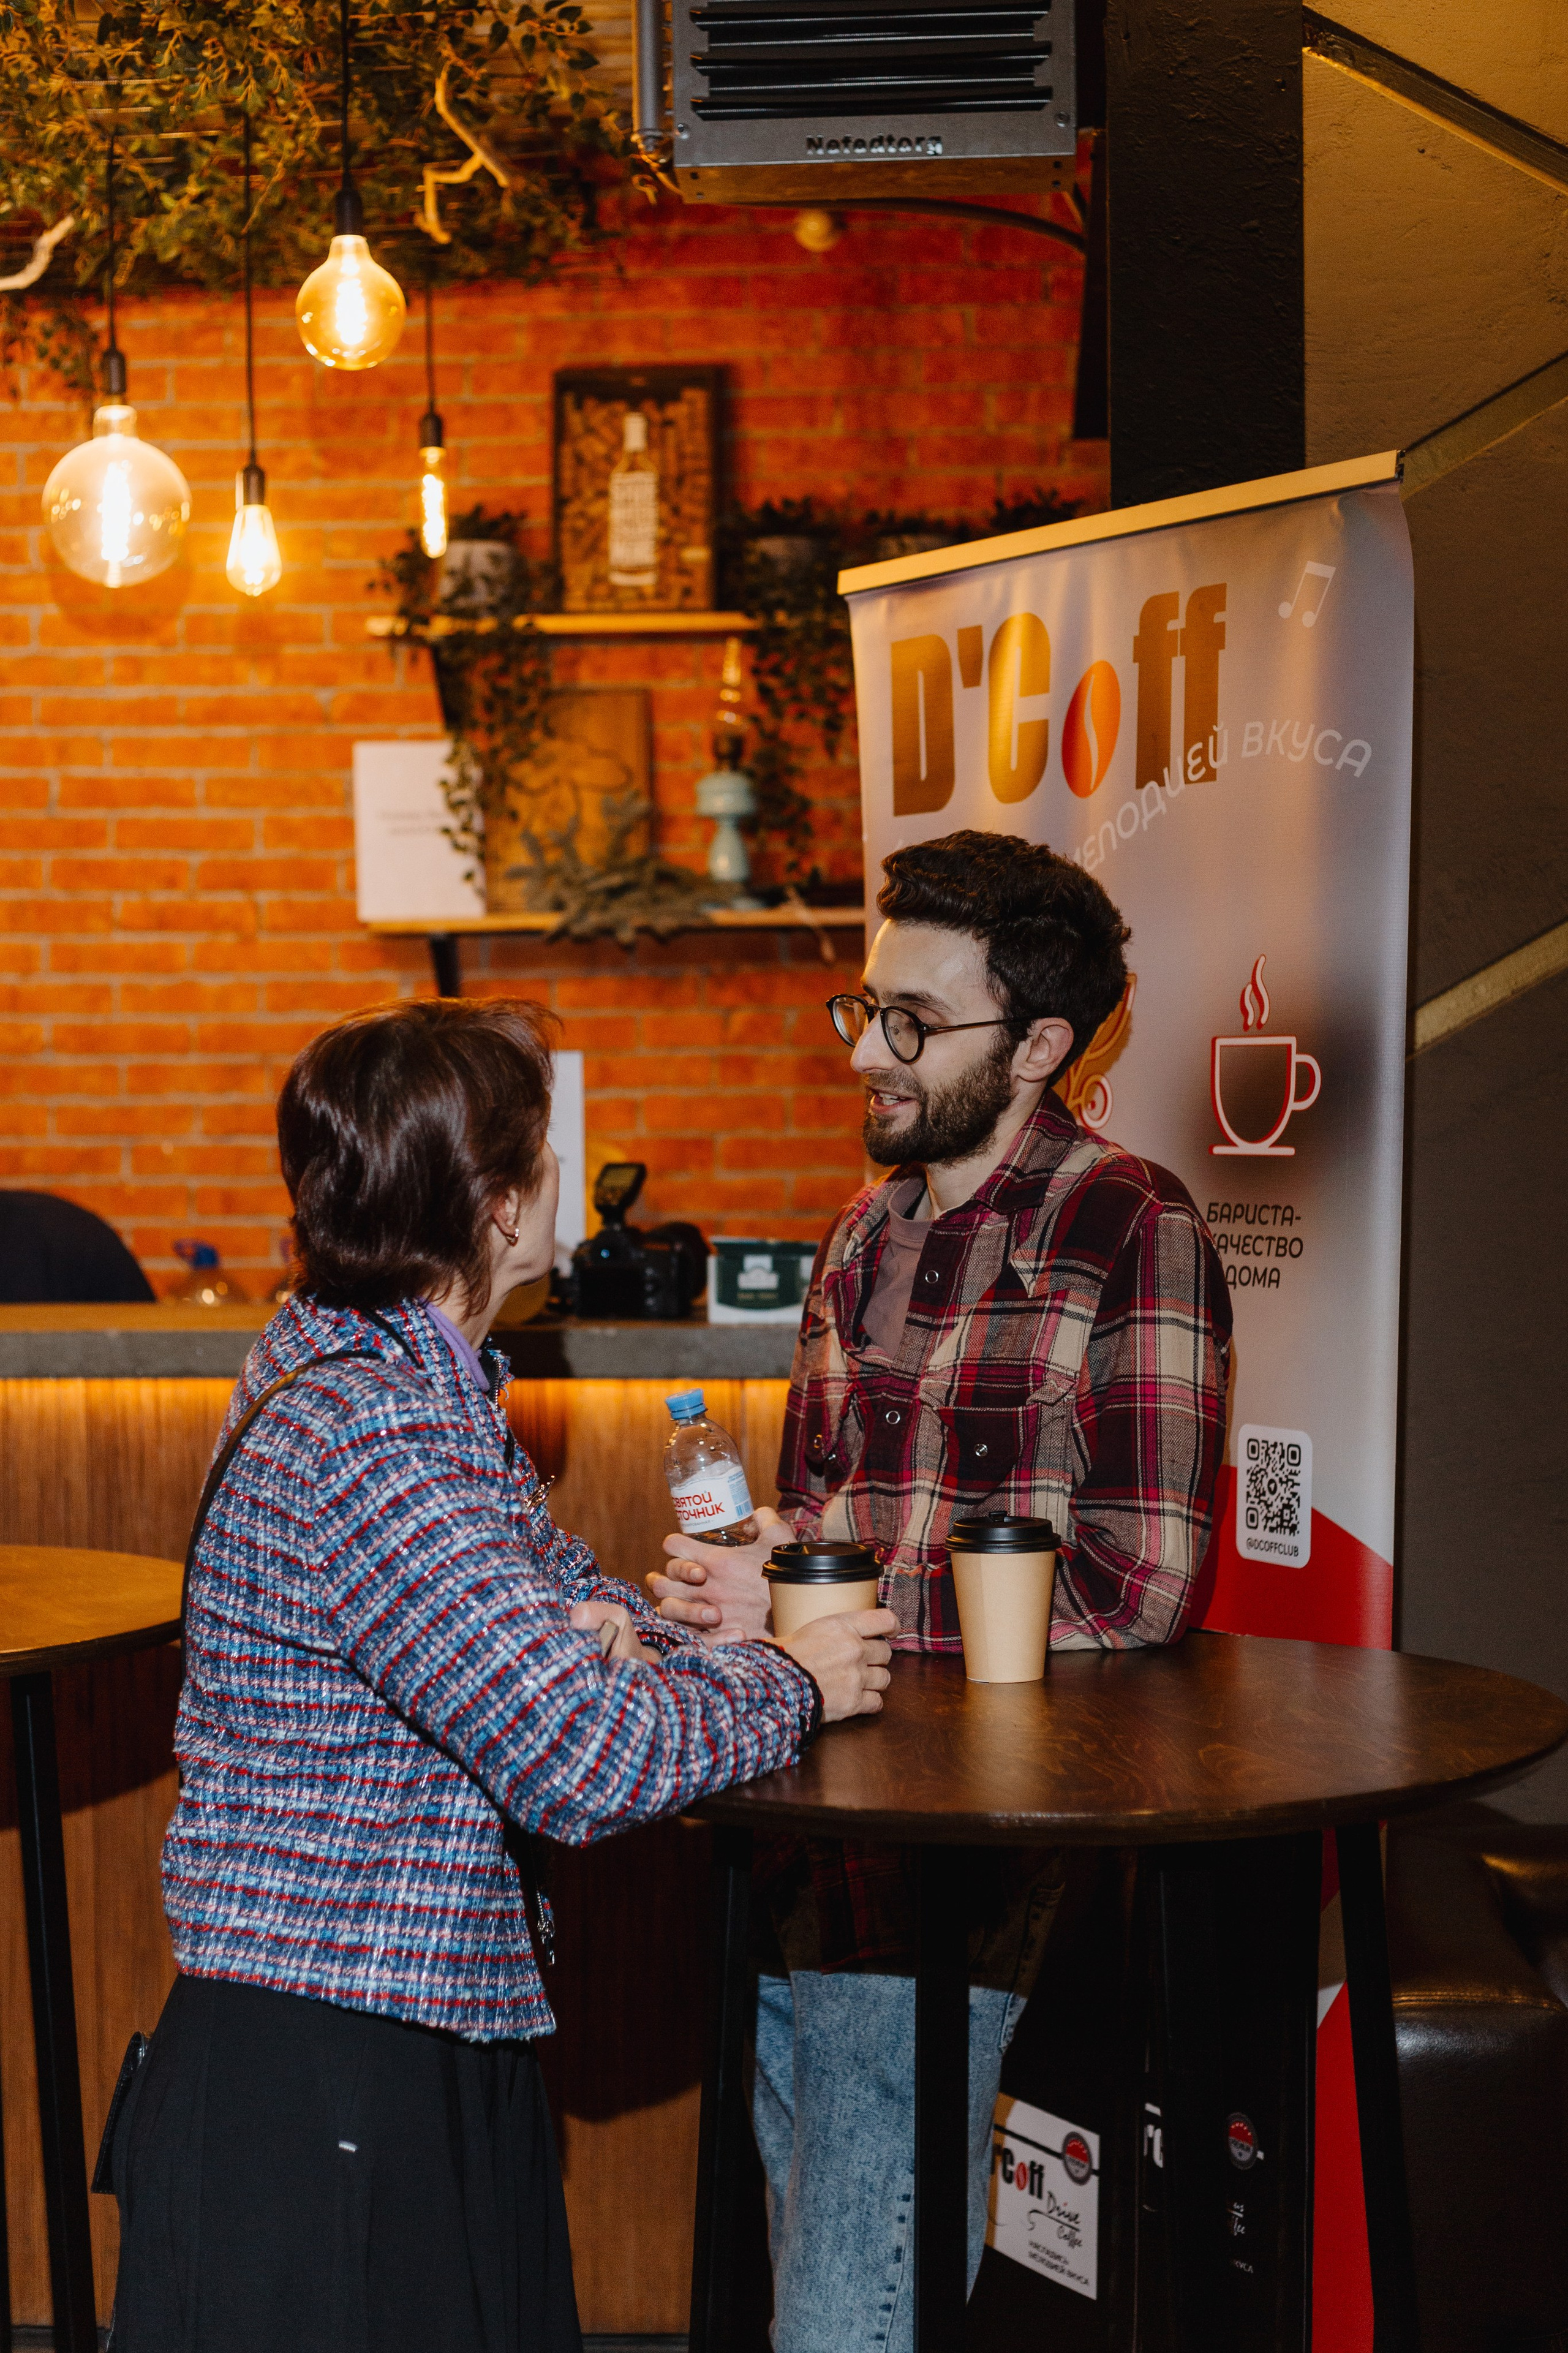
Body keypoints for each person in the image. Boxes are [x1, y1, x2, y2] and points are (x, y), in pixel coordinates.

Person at [105, 997, 895, 2353]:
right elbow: (582, 1761)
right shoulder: (372, 1428)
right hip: (331, 2064)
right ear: (494, 1202)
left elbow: (550, 1597)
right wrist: (794, 1678)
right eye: (541, 1153)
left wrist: (651, 1637)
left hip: (387, 2022)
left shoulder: (393, 1375)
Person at [650, 831, 1232, 2353]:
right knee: (823, 2276)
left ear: (1040, 1045)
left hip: (970, 1865)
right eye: (866, 1009)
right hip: (802, 1833)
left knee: (850, 2304)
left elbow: (1136, 1584)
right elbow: (825, 1518)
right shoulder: (858, 1230)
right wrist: (750, 1575)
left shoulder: (1129, 1224)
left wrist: (837, 1604)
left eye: (917, 1021)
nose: (873, 1053)